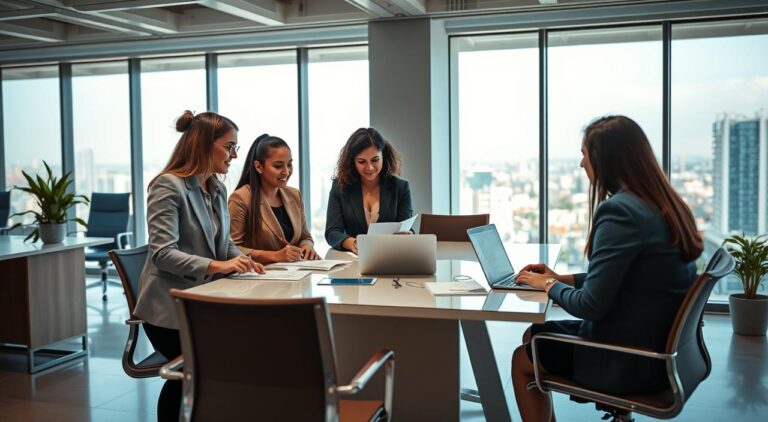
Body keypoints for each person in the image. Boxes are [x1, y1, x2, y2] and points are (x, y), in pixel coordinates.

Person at [511, 115, 703, 422]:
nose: (581, 164)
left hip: (627, 360)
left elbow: (590, 306)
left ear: (604, 159)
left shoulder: (619, 211)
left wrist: (547, 287)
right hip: (659, 350)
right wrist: (560, 278)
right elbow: (629, 277)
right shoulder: (664, 206)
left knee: (523, 359)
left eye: (585, 154)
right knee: (533, 335)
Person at [134, 110, 264, 422]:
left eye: (236, 148)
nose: (234, 155)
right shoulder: (168, 186)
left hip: (202, 300)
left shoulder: (216, 188)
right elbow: (163, 254)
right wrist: (220, 266)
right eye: (229, 147)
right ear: (205, 144)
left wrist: (244, 260)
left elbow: (225, 245)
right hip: (169, 309)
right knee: (193, 370)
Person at [228, 134, 319, 263]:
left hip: (294, 275)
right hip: (257, 276)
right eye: (278, 166)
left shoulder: (294, 195)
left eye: (289, 165)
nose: (286, 172)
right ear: (258, 166)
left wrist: (306, 246)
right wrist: (275, 256)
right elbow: (231, 249)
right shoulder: (241, 198)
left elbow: (305, 237)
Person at [325, 127, 413, 253]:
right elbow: (332, 232)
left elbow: (406, 228)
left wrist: (409, 235)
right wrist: (353, 243)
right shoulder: (340, 187)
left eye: (375, 160)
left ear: (384, 157)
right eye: (362, 162)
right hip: (352, 261)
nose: (369, 167)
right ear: (353, 162)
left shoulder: (400, 188)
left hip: (390, 258)